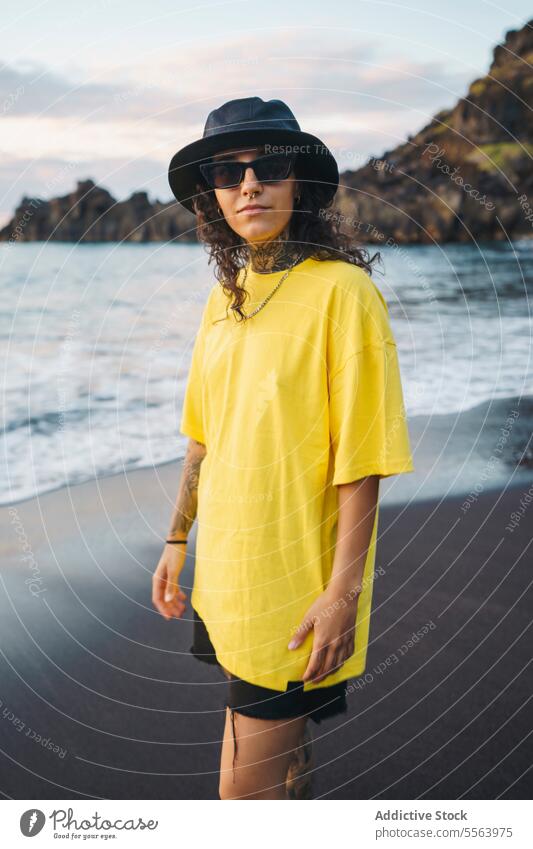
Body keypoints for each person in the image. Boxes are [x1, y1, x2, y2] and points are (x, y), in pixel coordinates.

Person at [152, 97, 415, 800]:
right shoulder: (226, 296)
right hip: (229, 577)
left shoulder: (344, 294)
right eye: (226, 171)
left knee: (239, 795)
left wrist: (341, 594)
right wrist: (178, 539)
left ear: (297, 181)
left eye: (267, 165)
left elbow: (362, 459)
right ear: (210, 194)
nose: (248, 184)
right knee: (282, 773)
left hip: (295, 594)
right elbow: (204, 433)